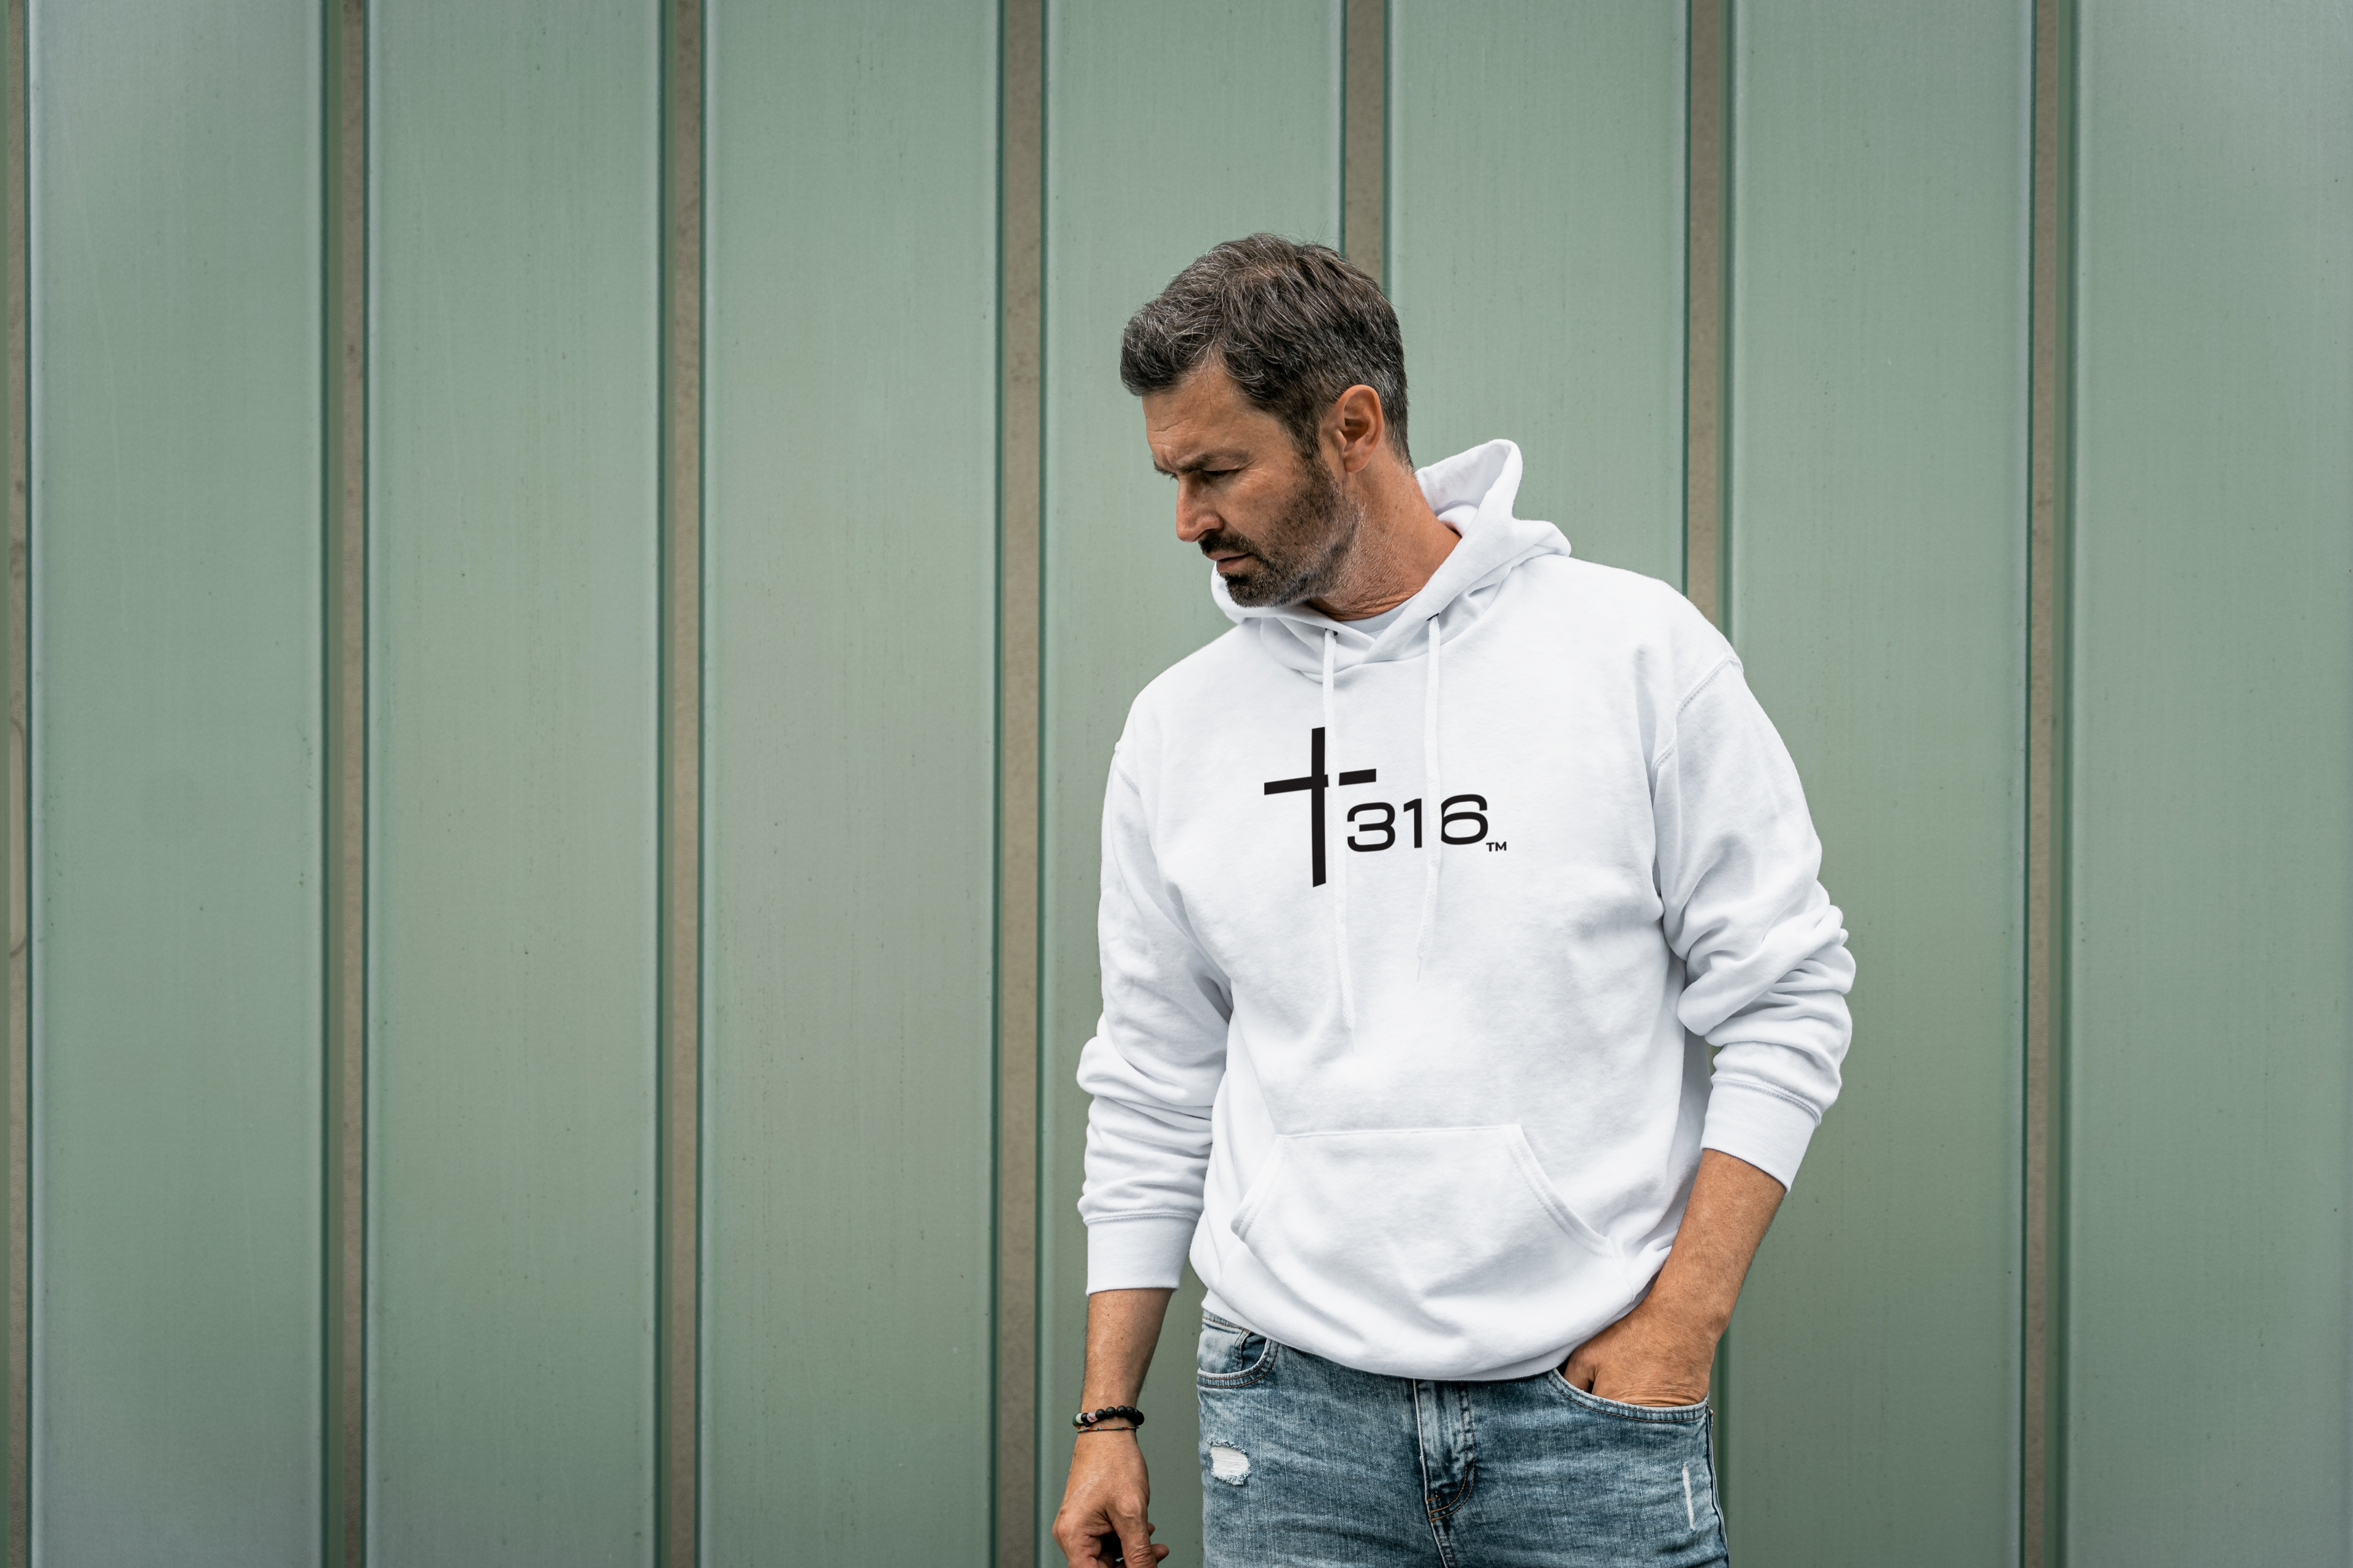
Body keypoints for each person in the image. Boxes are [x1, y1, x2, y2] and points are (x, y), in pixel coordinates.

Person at [1051, 235, 1854, 1567]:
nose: (1186, 519)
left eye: (1216, 471)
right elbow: (1153, 1077)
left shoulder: (1633, 656)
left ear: (1352, 427)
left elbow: (1788, 994)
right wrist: (1106, 1413)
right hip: (1290, 1419)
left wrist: (1684, 1321)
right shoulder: (1178, 729)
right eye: (1171, 476)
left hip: (1588, 1412)